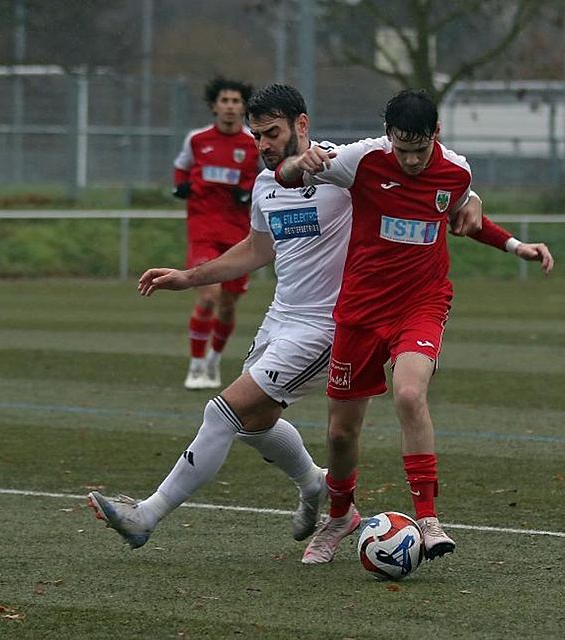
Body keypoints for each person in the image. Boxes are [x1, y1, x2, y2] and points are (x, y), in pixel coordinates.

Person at [86, 84, 487, 551]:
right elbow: (258, 250)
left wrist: (472, 198)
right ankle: (317, 484)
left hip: (326, 326)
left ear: (301, 124)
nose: (263, 145)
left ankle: (147, 515)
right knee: (255, 423)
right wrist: (189, 277)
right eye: (257, 136)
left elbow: (416, 174)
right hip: (280, 318)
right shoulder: (265, 183)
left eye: (271, 133)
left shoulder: (339, 166)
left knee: (223, 413)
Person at [275, 89, 555, 564]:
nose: (409, 160)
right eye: (401, 149)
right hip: (361, 310)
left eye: (419, 150)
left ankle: (427, 517)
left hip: (420, 303)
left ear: (436, 136)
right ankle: (340, 515)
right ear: (388, 137)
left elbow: (467, 216)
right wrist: (302, 163)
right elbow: (280, 176)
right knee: (342, 433)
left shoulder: (456, 169)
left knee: (409, 393)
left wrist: (515, 246)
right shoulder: (360, 159)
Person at [171, 76, 262, 390]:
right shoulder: (197, 139)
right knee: (209, 295)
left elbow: (266, 178)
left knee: (228, 304)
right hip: (203, 228)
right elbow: (181, 167)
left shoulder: (254, 142)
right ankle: (196, 365)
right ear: (214, 106)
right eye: (225, 101)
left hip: (239, 234)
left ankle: (213, 361)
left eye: (236, 101)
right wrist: (181, 184)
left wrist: (248, 190)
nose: (230, 107)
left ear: (244, 107)